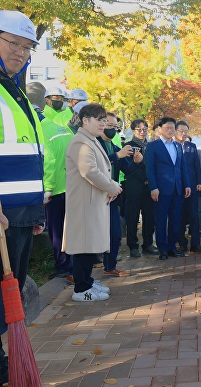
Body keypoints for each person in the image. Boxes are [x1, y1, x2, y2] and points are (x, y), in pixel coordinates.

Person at [0, 11, 45, 383]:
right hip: (2, 214)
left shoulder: (15, 90)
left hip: (21, 214)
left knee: (7, 299)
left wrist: (35, 212)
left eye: (27, 46)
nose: (21, 52)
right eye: (13, 42)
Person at [64, 103, 122, 301]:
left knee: (89, 245)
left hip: (91, 201)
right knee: (83, 246)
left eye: (104, 120)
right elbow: (90, 171)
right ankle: (81, 288)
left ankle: (87, 281)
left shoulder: (91, 140)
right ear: (85, 120)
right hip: (84, 204)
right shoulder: (81, 142)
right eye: (99, 120)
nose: (103, 124)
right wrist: (112, 186)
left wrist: (111, 186)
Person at [97, 112, 139, 277]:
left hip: (112, 197)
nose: (112, 130)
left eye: (115, 127)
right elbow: (95, 164)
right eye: (109, 126)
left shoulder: (114, 146)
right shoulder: (95, 143)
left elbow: (126, 169)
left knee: (115, 233)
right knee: (96, 234)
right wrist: (117, 155)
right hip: (96, 195)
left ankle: (110, 266)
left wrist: (136, 161)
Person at [42, 101, 80, 280]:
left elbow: (48, 162)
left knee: (56, 230)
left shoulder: (43, 130)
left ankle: (63, 265)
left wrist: (47, 188)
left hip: (55, 189)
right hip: (70, 186)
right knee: (69, 228)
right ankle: (72, 265)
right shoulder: (64, 129)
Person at [145, 116, 191, 261]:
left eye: (172, 128)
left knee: (175, 219)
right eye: (167, 128)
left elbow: (182, 167)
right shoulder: (153, 146)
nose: (170, 130)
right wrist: (154, 187)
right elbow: (150, 169)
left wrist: (187, 184)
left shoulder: (178, 146)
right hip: (161, 190)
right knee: (161, 220)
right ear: (159, 129)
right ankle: (162, 248)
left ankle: (172, 247)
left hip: (177, 189)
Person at [124, 119, 158, 257]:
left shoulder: (151, 146)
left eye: (145, 129)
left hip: (149, 188)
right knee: (132, 218)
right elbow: (126, 168)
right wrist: (145, 178)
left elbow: (154, 166)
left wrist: (149, 180)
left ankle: (148, 244)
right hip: (134, 187)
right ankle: (133, 246)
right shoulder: (128, 146)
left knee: (149, 217)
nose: (143, 132)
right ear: (133, 131)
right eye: (139, 129)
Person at [174, 120, 201, 253]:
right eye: (181, 131)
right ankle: (182, 243)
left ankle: (196, 244)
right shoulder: (171, 146)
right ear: (175, 131)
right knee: (180, 216)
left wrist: (199, 182)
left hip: (192, 186)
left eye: (186, 131)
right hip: (177, 187)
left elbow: (197, 166)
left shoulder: (191, 146)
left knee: (195, 215)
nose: (183, 133)